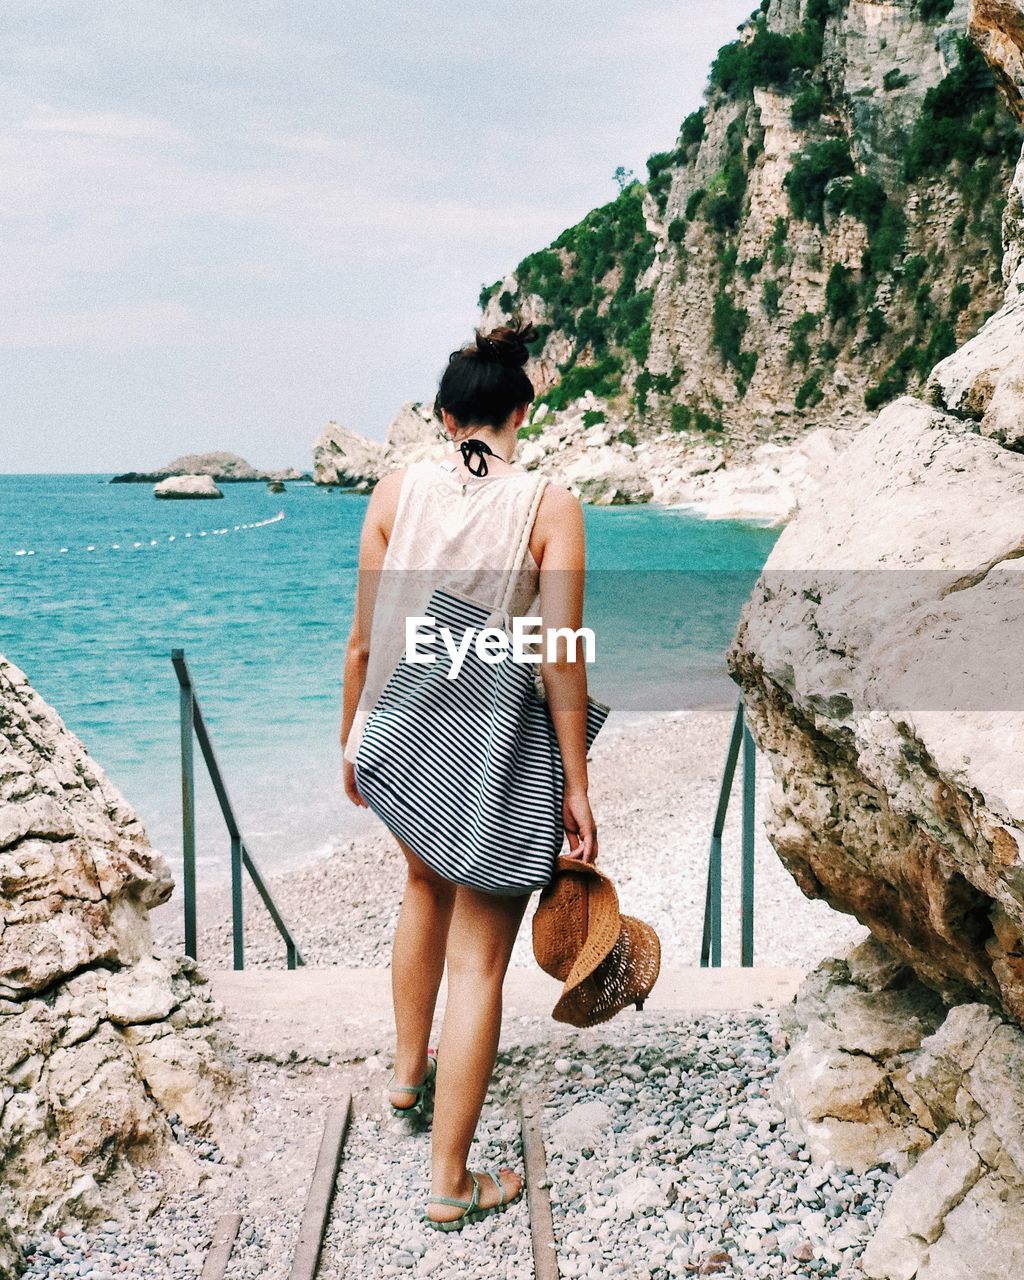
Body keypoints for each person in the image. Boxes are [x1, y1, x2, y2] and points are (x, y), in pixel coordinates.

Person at [340, 320, 598, 1230]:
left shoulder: (393, 492)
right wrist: (574, 778)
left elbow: (366, 639)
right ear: (521, 412)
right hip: (488, 740)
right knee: (480, 957)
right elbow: (560, 652)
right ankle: (452, 1180)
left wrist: (350, 739)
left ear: (446, 417)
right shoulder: (549, 503)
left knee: (421, 884)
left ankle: (409, 1078)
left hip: (397, 727)